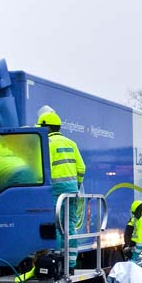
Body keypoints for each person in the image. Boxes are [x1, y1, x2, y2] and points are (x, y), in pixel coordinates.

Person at [38, 108, 85, 270]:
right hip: (71, 189)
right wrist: (76, 185)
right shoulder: (71, 143)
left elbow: (42, 168)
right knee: (69, 226)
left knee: (55, 225)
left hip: (54, 190)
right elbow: (81, 168)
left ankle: (57, 262)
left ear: (47, 127)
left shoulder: (46, 143)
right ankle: (71, 263)